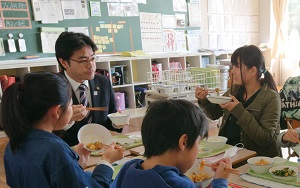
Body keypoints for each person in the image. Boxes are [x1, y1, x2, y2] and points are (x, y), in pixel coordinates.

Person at [2, 72, 124, 187]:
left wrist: (74, 163)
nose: (72, 108)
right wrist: (107, 161)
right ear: (57, 111)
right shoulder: (55, 150)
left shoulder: (13, 144)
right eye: (70, 105)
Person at [111, 99, 231, 188]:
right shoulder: (179, 184)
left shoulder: (128, 169)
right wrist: (220, 182)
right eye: (198, 143)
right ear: (183, 142)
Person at [195, 45, 282, 157]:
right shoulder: (236, 89)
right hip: (229, 153)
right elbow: (214, 113)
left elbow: (265, 139)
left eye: (237, 66)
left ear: (253, 70)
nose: (232, 70)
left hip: (256, 160)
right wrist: (204, 100)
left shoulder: (271, 98)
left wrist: (239, 110)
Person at [55, 31, 122, 146]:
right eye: (83, 61)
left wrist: (118, 123)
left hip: (101, 149)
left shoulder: (103, 82)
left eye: (92, 58)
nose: (91, 65)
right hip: (69, 153)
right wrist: (67, 121)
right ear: (64, 62)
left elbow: (111, 120)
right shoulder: (52, 88)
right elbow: (46, 133)